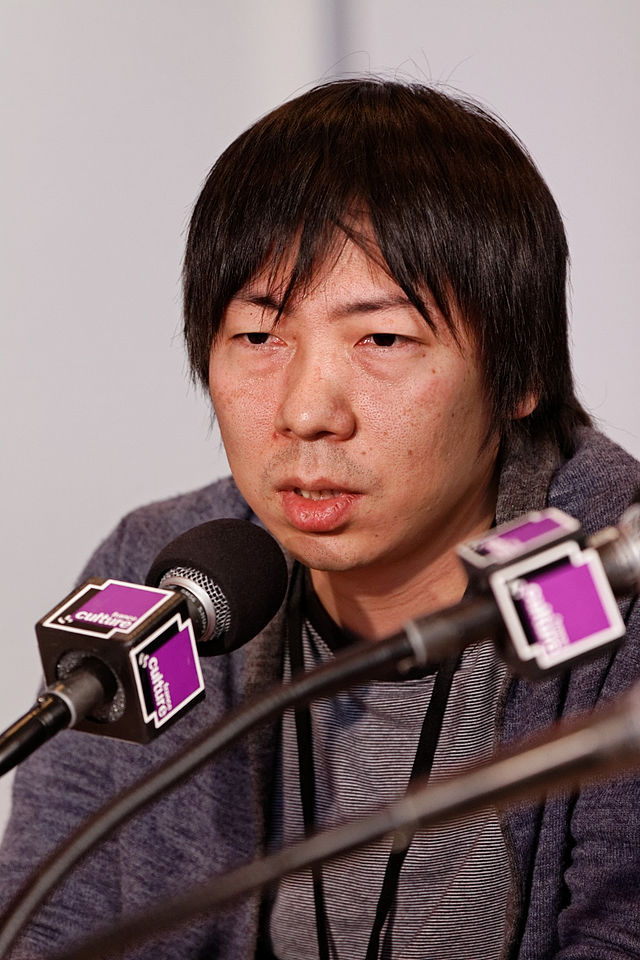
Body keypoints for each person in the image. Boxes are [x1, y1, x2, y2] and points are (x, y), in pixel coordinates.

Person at [1, 78, 639, 960]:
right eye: (259, 338)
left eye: (382, 340)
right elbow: (49, 928)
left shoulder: (618, 591)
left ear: (519, 373)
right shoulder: (159, 573)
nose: (305, 412)